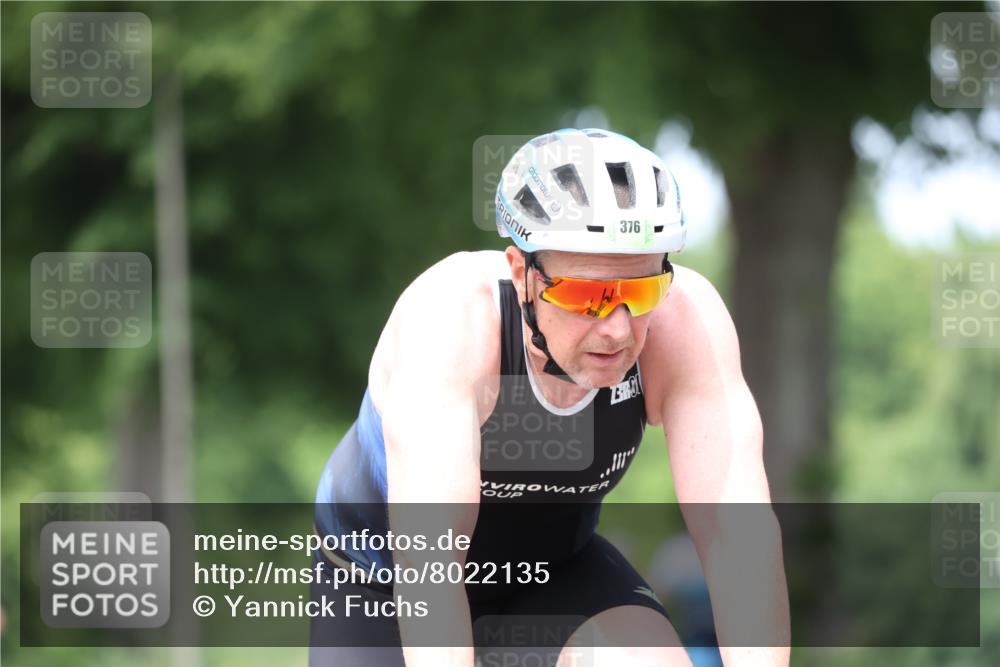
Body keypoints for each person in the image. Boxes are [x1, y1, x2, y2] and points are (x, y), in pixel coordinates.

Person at [311, 128, 790, 667]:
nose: (617, 329)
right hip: (384, 581)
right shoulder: (451, 325)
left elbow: (737, 537)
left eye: (640, 292)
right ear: (523, 275)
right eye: (588, 296)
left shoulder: (685, 322)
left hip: (555, 573)